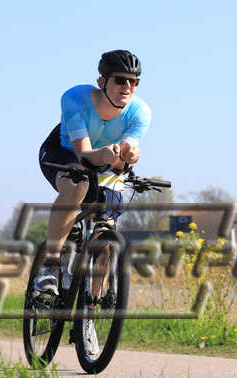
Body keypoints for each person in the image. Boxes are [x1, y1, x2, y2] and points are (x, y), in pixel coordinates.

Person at [34, 49, 151, 296]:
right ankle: (50, 265)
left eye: (134, 82)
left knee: (107, 225)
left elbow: (122, 160)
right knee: (78, 184)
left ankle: (92, 305)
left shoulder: (140, 113)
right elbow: (84, 155)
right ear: (102, 81)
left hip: (105, 161)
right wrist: (108, 155)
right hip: (63, 153)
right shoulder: (75, 98)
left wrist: (128, 158)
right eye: (120, 80)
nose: (127, 87)